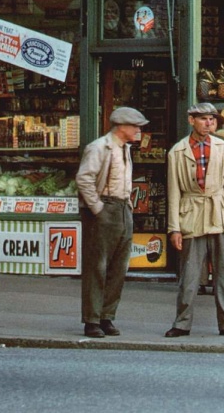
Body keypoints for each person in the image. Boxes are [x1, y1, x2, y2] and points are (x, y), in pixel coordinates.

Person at [164, 103, 224, 338]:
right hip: (191, 216)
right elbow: (174, 193)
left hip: (220, 213)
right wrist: (174, 229)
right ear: (191, 120)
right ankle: (182, 323)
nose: (209, 123)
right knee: (190, 275)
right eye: (203, 119)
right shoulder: (177, 152)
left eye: (212, 119)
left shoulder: (223, 148)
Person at [76, 106, 149, 338]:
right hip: (104, 207)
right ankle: (92, 320)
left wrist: (127, 207)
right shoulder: (99, 147)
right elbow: (84, 178)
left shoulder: (124, 149)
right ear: (122, 127)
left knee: (119, 267)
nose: (139, 130)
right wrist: (97, 208)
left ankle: (107, 316)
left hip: (122, 208)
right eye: (136, 126)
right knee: (97, 266)